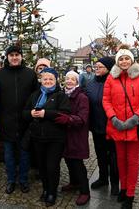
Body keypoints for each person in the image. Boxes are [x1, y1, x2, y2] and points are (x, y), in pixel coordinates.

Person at [102, 45, 139, 209]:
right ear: (117, 61)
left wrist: (136, 117)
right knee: (120, 161)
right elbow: (106, 100)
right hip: (117, 125)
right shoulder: (111, 78)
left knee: (132, 162)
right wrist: (113, 117)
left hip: (133, 126)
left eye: (127, 58)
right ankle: (123, 188)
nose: (124, 61)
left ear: (131, 60)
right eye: (121, 59)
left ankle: (130, 194)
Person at [23, 67, 71, 207]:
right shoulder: (35, 95)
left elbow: (65, 115)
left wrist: (46, 114)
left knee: (52, 166)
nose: (48, 81)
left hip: (55, 138)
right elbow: (24, 113)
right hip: (38, 137)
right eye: (45, 79)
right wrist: (30, 113)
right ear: (41, 80)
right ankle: (45, 189)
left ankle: (52, 192)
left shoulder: (61, 95)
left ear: (56, 80)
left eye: (51, 79)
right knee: (42, 166)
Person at [0, 44, 38, 194]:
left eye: (17, 55)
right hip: (7, 122)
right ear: (7, 57)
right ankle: (11, 180)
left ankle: (24, 180)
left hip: (26, 122)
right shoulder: (0, 74)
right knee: (9, 155)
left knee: (25, 154)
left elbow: (35, 97)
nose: (14, 57)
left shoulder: (30, 74)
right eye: (11, 55)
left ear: (21, 57)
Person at [85, 56, 119, 195]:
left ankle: (115, 183)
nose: (97, 69)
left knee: (113, 156)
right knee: (100, 155)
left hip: (111, 126)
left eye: (100, 67)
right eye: (96, 66)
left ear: (109, 69)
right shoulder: (90, 83)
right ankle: (103, 178)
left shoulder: (115, 83)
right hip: (96, 126)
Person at [56, 70, 90, 206]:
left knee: (77, 163)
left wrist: (68, 119)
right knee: (69, 160)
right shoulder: (63, 94)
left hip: (77, 135)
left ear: (77, 82)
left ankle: (85, 191)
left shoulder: (82, 97)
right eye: (67, 79)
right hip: (66, 135)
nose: (69, 81)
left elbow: (83, 118)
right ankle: (74, 183)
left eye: (72, 79)